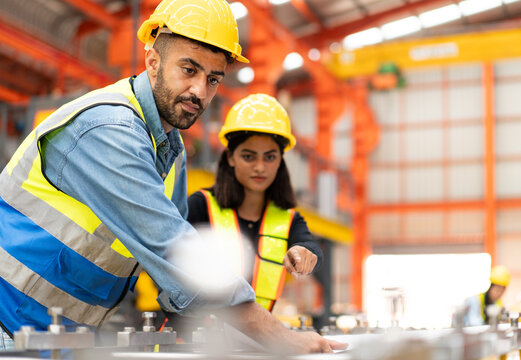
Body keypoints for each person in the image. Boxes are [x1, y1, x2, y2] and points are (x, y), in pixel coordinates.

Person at [0, 0, 345, 354]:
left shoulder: (170, 148)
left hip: (56, 334)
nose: (200, 91)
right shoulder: (108, 130)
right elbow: (172, 246)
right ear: (153, 62)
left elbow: (178, 265)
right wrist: (278, 337)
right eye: (189, 69)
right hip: (8, 325)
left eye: (213, 79)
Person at [185, 93, 322, 313]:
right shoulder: (200, 206)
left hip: (255, 341)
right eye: (249, 157)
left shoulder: (289, 220)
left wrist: (303, 252)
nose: (260, 167)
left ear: (280, 159)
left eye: (269, 157)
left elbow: (308, 245)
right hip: (196, 340)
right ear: (230, 157)